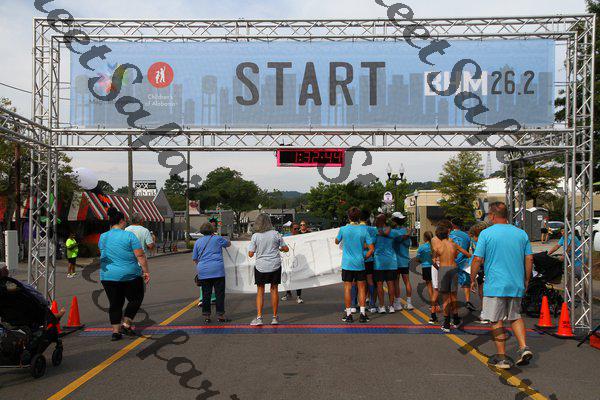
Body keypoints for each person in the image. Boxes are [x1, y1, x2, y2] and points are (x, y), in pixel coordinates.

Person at [470, 202, 534, 369]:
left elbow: (477, 259)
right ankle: (523, 347)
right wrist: (526, 279)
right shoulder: (521, 234)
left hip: (495, 285)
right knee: (515, 316)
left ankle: (502, 358)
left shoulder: (486, 234)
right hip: (515, 283)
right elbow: (529, 258)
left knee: (496, 320)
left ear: (492, 215)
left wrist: (472, 278)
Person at [99, 207, 150, 341]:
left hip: (108, 275)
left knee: (115, 303)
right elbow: (140, 255)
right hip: (129, 274)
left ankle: (116, 332)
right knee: (136, 298)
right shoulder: (129, 236)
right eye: (125, 221)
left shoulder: (103, 237)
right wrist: (146, 271)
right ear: (121, 221)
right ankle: (126, 324)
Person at [248, 214, 289, 326]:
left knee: (260, 290)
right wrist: (280, 248)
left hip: (261, 266)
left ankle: (259, 317)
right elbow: (286, 248)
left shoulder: (255, 236)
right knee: (274, 289)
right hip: (275, 265)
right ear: (269, 222)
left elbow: (250, 254)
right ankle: (274, 317)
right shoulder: (276, 234)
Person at [335, 207, 375, 323]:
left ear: (348, 217)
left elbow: (336, 241)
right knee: (362, 288)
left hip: (347, 264)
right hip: (359, 263)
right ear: (359, 217)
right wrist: (365, 257)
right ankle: (362, 314)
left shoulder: (343, 229)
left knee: (348, 288)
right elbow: (371, 249)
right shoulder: (364, 230)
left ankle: (349, 314)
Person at [431, 220, 471, 332]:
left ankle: (446, 323)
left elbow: (433, 261)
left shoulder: (438, 247)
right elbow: (467, 254)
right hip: (453, 268)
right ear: (448, 234)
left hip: (443, 269)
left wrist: (439, 268)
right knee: (454, 296)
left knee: (445, 298)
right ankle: (456, 319)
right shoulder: (453, 244)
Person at [192, 222, 231, 323]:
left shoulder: (198, 242)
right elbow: (228, 244)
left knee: (206, 294)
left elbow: (195, 258)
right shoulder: (217, 239)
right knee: (219, 294)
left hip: (204, 271)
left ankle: (207, 316)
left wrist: (201, 267)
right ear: (212, 230)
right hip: (217, 270)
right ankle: (220, 315)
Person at [0, 264, 66, 319]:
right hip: (22, 312)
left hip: (8, 314)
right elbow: (33, 294)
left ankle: (49, 315)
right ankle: (50, 316)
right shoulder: (11, 284)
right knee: (29, 292)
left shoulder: (7, 285)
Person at [373, 214, 399, 313]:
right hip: (391, 261)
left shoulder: (375, 231)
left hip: (379, 262)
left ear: (379, 220)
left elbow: (371, 244)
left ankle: (382, 306)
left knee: (379, 284)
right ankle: (391, 306)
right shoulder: (393, 231)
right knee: (390, 283)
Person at [449, 218, 475, 312]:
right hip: (464, 261)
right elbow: (469, 248)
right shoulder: (466, 236)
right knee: (465, 283)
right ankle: (467, 301)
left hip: (452, 261)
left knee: (452, 284)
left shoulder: (449, 235)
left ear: (453, 225)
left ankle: (453, 303)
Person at [282, 220, 310, 303]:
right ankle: (288, 293)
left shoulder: (301, 237)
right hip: (289, 260)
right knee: (288, 277)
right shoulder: (286, 237)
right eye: (295, 229)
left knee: (298, 277)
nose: (297, 230)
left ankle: (298, 296)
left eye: (298, 228)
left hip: (299, 260)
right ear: (291, 229)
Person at [391, 212, 413, 311]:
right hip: (405, 260)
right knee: (407, 281)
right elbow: (409, 244)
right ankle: (409, 302)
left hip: (395, 261)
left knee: (396, 282)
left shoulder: (392, 232)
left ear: (394, 220)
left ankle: (397, 303)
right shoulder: (406, 230)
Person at [468, 222, 489, 323]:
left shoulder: (481, 242)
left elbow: (479, 259)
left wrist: (472, 278)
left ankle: (486, 313)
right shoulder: (488, 239)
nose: (473, 239)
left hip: (483, 268)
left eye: (473, 236)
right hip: (486, 268)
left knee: (483, 290)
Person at [359, 210, 378, 312]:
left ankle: (354, 304)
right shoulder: (373, 230)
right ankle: (372, 303)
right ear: (368, 218)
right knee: (370, 280)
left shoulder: (355, 228)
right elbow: (373, 243)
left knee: (357, 283)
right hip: (369, 257)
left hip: (358, 258)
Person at [415, 231, 435, 321]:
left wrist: (422, 260)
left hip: (426, 267)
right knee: (436, 286)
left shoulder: (422, 247)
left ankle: (432, 303)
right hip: (435, 267)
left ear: (425, 238)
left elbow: (417, 258)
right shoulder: (434, 246)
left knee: (429, 286)